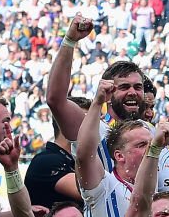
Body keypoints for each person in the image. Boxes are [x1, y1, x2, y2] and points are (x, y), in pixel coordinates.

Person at [46, 15, 146, 173]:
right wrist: (70, 41)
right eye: (125, 87)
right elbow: (55, 100)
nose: (132, 92)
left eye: (138, 87)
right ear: (108, 91)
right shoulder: (93, 128)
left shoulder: (150, 132)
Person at [76, 80, 151, 217]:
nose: (151, 150)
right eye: (142, 145)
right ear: (119, 156)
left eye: (152, 144)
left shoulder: (154, 190)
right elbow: (84, 154)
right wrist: (97, 102)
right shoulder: (105, 186)